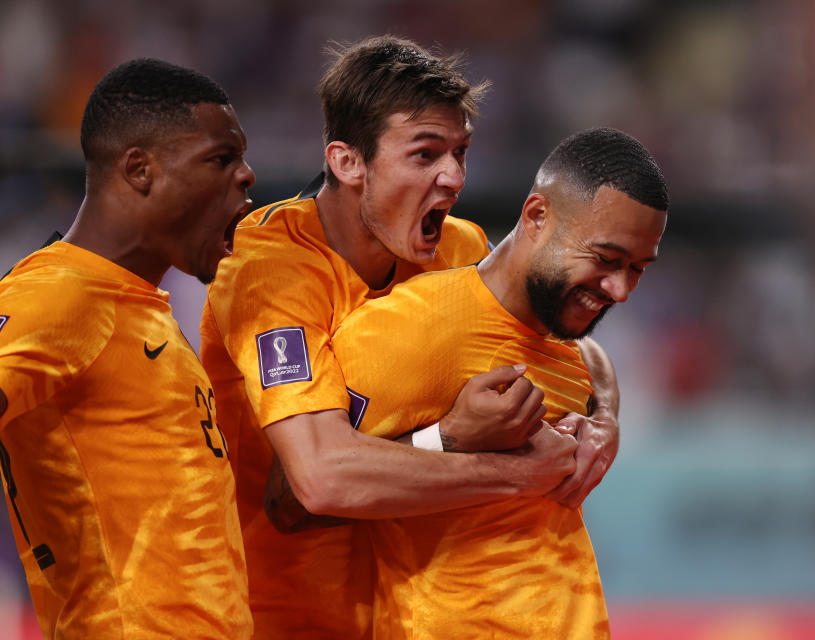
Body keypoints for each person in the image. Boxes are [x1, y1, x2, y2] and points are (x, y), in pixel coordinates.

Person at [200, 35, 620, 638]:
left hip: (411, 612)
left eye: (461, 152)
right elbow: (316, 481)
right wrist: (471, 449)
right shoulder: (271, 271)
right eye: (425, 155)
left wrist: (604, 417)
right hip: (283, 613)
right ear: (347, 162)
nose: (453, 177)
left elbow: (574, 340)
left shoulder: (461, 248)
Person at [301, 126, 668, 638]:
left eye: (638, 269)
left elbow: (590, 359)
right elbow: (299, 499)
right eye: (607, 260)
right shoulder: (411, 329)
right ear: (538, 216)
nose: (621, 290)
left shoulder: (561, 328)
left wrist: (605, 417)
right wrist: (447, 441)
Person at [0, 59, 256, 638]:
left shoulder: (142, 308)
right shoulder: (58, 295)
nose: (247, 177)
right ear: (140, 169)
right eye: (220, 159)